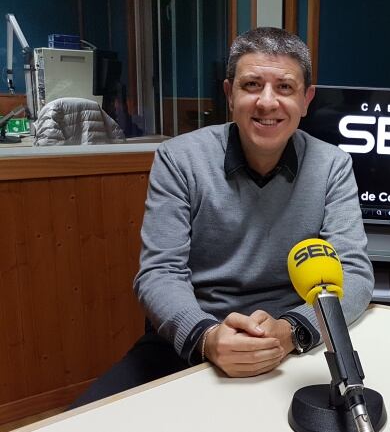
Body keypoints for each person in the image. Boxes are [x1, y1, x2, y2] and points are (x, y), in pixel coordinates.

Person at [72, 27, 373, 406]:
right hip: (196, 334)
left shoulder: (332, 165)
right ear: (230, 94)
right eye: (251, 85)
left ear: (306, 98)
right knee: (89, 415)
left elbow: (355, 275)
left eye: (284, 87)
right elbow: (159, 272)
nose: (267, 102)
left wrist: (292, 330)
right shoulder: (179, 159)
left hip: (293, 341)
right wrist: (206, 337)